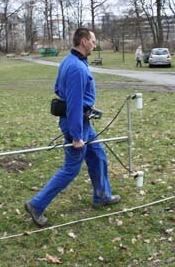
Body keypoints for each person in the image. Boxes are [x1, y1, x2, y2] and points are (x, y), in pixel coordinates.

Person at [24, 27, 121, 227]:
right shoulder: (76, 67)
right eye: (93, 41)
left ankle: (102, 195)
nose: (95, 44)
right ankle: (37, 204)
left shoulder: (70, 60)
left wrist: (87, 104)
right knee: (70, 169)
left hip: (83, 121)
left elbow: (59, 88)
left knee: (98, 156)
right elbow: (74, 104)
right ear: (84, 41)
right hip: (76, 124)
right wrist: (77, 136)